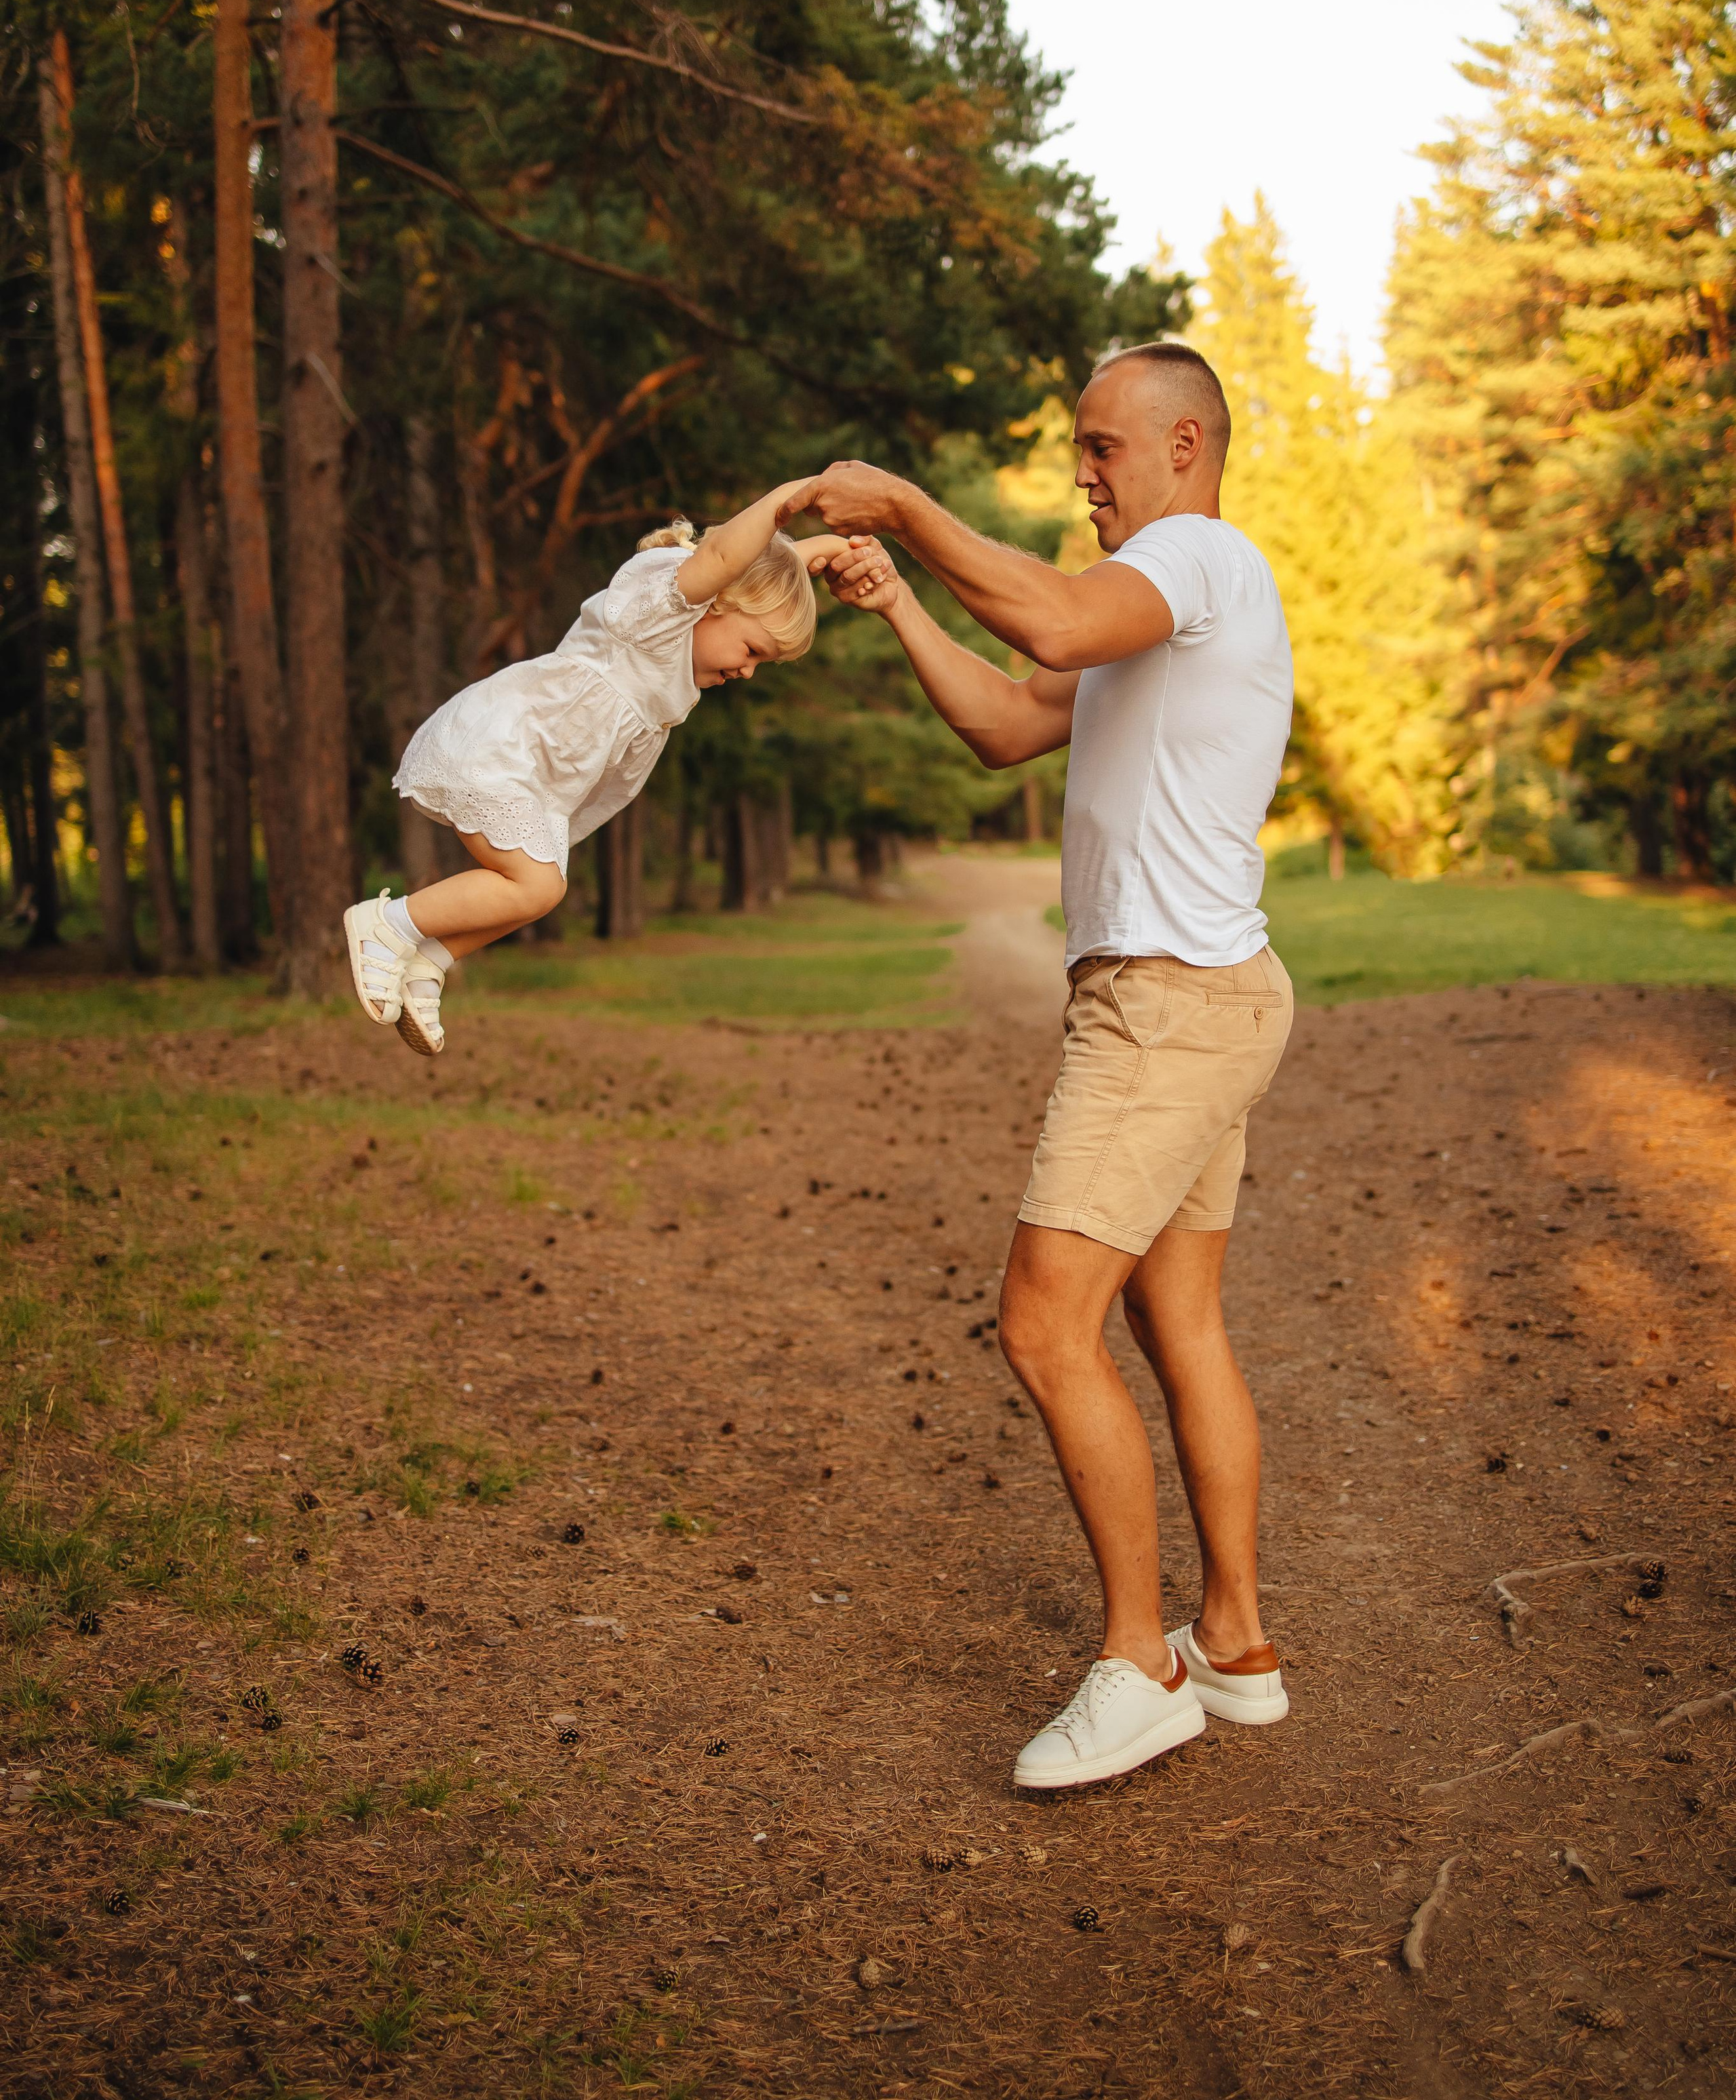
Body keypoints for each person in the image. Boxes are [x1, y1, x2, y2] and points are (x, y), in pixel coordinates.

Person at [796, 342, 1297, 1790]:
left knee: (1040, 1324)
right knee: (1173, 1322)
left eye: (1102, 449)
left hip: (1162, 1012)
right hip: (1196, 998)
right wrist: (896, 601)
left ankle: (1138, 1665)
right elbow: (1003, 722)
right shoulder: (1152, 610)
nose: (1082, 474)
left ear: (1185, 446)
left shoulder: (1195, 561)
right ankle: (1235, 1644)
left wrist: (900, 508)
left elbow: (1057, 629)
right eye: (1080, 451)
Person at [343, 485, 884, 1057]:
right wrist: (794, 501)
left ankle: (429, 960)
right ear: (717, 604)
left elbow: (755, 577)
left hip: (540, 779)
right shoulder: (660, 618)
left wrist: (820, 549)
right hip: (508, 744)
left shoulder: (710, 621)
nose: (749, 672)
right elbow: (728, 561)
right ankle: (390, 924)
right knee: (538, 885)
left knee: (540, 893)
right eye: (752, 651)